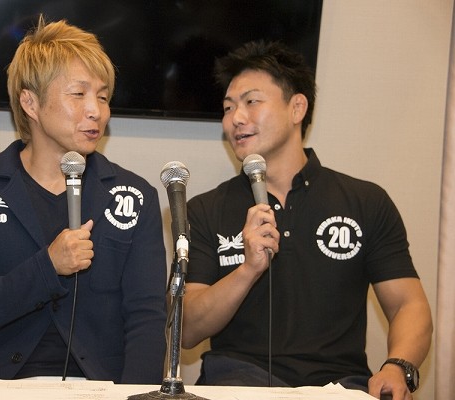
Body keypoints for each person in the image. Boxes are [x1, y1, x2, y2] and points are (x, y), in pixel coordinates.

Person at [181, 40, 433, 400]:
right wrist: (247, 270)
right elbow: (187, 329)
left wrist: (398, 366)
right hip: (235, 384)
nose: (235, 118)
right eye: (228, 107)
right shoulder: (206, 209)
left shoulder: (365, 201)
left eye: (251, 102)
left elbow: (409, 304)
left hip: (340, 387)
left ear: (297, 107)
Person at [0, 16, 167, 385]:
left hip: (100, 388)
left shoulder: (135, 197)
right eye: (79, 94)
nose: (97, 111)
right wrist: (48, 267)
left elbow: (147, 320)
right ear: (30, 103)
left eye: (103, 96)